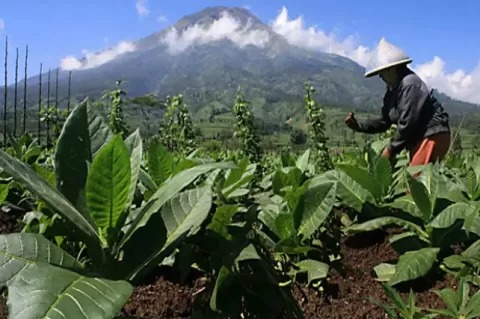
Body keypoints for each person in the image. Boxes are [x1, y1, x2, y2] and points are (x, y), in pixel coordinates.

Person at [344, 38, 451, 167]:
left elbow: (407, 123)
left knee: (416, 182)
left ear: (391, 69)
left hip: (432, 134)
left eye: (381, 72)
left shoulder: (410, 83)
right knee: (417, 181)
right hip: (419, 139)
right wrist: (359, 125)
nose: (380, 76)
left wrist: (390, 150)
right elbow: (385, 122)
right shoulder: (391, 91)